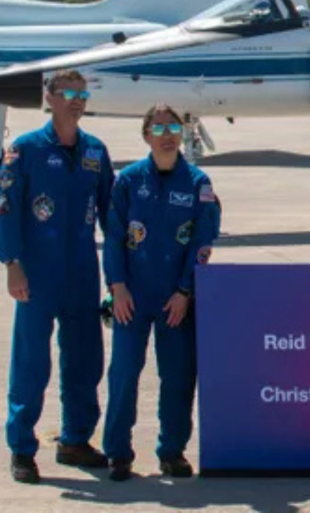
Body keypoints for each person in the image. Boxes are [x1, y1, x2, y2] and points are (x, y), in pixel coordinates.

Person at [0, 69, 114, 483]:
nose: (76, 100)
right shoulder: (25, 150)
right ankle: (22, 449)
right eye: (68, 93)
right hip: (36, 273)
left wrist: (120, 274)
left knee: (84, 359)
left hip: (81, 272)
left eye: (82, 93)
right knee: (31, 362)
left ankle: (75, 439)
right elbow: (6, 209)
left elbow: (111, 215)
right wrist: (12, 263)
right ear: (50, 97)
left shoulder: (95, 151)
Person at [102, 104, 220, 481]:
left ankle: (172, 451)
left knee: (178, 377)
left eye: (173, 128)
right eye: (158, 128)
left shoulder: (198, 183)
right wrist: (117, 287)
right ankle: (118, 452)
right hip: (132, 298)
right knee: (123, 374)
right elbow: (114, 237)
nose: (167, 135)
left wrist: (185, 290)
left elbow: (203, 241)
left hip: (175, 299)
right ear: (146, 135)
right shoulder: (128, 180)